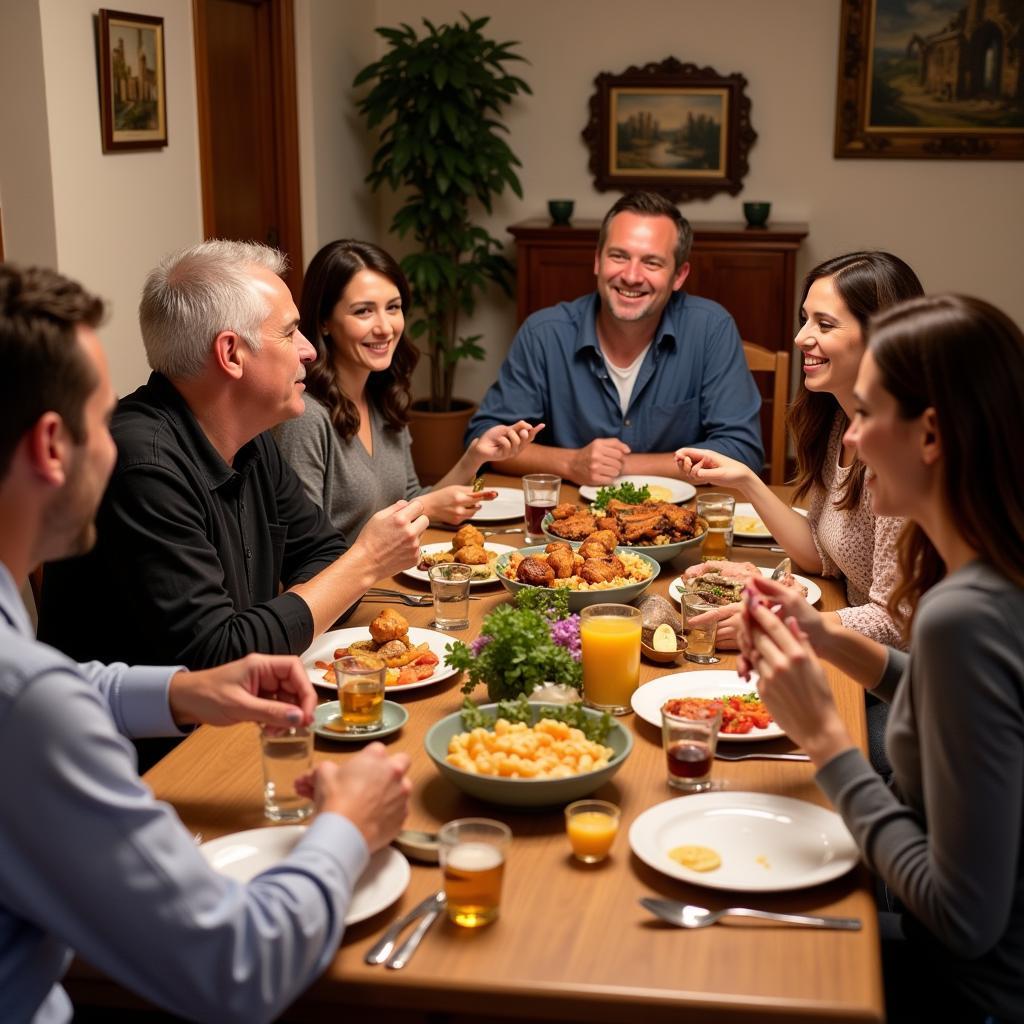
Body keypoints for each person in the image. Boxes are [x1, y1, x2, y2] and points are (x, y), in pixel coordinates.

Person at [0, 262, 412, 1024]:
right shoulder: (32, 703)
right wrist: (346, 831)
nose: (115, 442)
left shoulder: (23, 675)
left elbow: (50, 682)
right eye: (100, 418)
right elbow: (237, 970)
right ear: (56, 446)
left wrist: (176, 691)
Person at [739, 295, 1024, 1023]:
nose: (854, 441)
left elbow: (963, 920)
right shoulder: (987, 573)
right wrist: (829, 638)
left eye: (867, 415)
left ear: (930, 434)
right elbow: (962, 707)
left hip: (971, 993)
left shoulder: (964, 614)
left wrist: (828, 743)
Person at [38, 240, 429, 670]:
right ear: (230, 354)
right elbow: (218, 656)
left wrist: (275, 628)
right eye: (288, 332)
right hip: (153, 736)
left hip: (239, 708)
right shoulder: (141, 465)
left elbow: (324, 552)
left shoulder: (250, 435)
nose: (309, 350)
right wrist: (368, 560)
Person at [676, 252, 924, 650]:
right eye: (804, 319)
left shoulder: (904, 454)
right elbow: (821, 555)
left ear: (881, 335)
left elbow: (896, 624)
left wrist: (777, 624)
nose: (800, 338)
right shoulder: (839, 419)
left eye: (824, 324)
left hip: (905, 679)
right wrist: (745, 480)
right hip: (849, 644)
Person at [465, 191, 763, 485]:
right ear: (597, 261)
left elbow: (741, 451)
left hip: (681, 522)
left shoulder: (711, 329)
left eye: (652, 262)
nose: (632, 276)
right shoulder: (544, 333)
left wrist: (621, 466)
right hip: (567, 524)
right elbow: (484, 441)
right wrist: (571, 463)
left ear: (679, 275)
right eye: (619, 256)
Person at [274, 239, 542, 538]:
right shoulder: (306, 415)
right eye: (363, 311)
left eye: (393, 308)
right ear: (324, 321)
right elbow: (303, 551)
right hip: (354, 584)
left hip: (394, 573)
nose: (385, 327)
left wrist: (475, 457)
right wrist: (426, 506)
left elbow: (411, 497)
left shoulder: (383, 396)